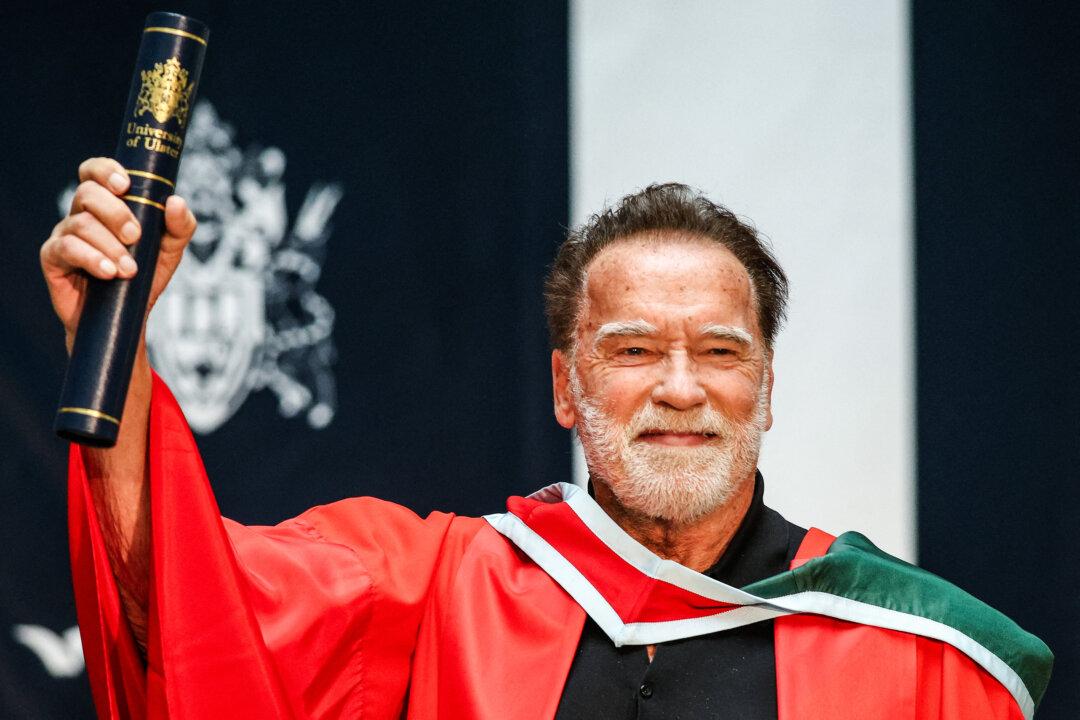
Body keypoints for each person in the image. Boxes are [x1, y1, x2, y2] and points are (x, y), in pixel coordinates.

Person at [43, 158, 1052, 720]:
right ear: (567, 388)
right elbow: (182, 596)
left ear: (768, 388)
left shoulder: (919, 660)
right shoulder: (436, 592)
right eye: (632, 349)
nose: (682, 387)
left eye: (720, 350)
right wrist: (115, 346)